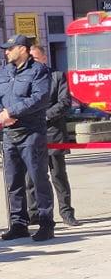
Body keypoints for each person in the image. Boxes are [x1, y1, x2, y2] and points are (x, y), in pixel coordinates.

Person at [0, 34, 54, 242]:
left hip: (31, 132)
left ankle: (46, 223)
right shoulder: (5, 72)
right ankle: (18, 224)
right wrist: (1, 113)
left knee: (38, 179)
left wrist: (12, 112)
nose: (6, 52)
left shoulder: (39, 71)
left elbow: (40, 98)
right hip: (9, 133)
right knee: (13, 182)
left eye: (10, 48)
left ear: (23, 49)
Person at [28, 45, 79, 227]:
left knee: (58, 176)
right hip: (32, 135)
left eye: (34, 58)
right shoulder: (27, 79)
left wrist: (45, 116)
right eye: (29, 58)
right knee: (31, 178)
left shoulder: (57, 77)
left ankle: (66, 213)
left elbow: (65, 102)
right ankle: (34, 215)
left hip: (53, 134)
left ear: (44, 58)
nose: (31, 61)